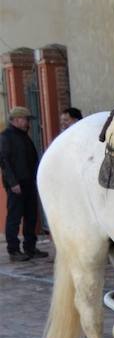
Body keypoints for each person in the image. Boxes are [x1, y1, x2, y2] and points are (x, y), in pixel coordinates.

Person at [1, 106, 45, 262]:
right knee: (14, 217)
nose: (28, 122)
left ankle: (30, 247)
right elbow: (5, 163)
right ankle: (13, 250)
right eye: (26, 119)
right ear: (16, 120)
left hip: (28, 182)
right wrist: (13, 183)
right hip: (16, 184)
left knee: (31, 216)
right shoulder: (6, 137)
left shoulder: (23, 136)